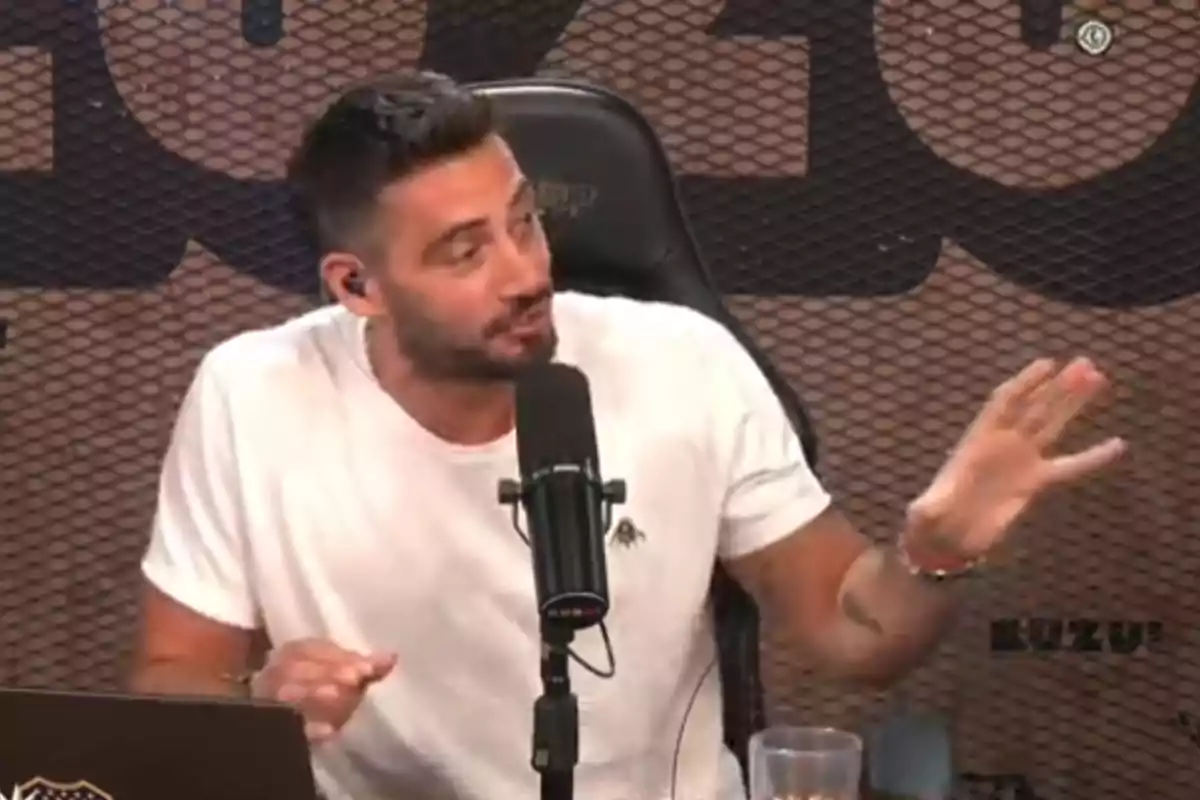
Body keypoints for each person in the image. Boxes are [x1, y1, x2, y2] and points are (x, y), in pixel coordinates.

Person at [129, 71, 1127, 800]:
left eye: (523, 221)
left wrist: (930, 557)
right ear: (358, 286)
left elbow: (856, 634)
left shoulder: (680, 362)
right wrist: (254, 702)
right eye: (465, 250)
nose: (525, 271)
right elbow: (170, 677)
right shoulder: (252, 391)